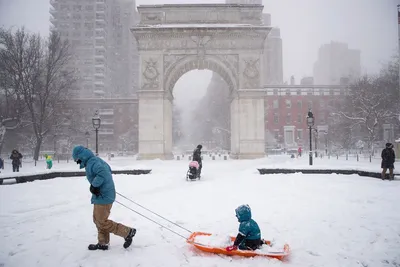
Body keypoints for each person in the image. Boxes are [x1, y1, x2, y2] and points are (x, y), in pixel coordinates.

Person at [72, 145, 136, 251]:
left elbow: (104, 173)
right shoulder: (93, 161)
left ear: (81, 156)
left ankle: (127, 232)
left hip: (104, 195)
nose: (77, 163)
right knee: (98, 219)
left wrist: (94, 185)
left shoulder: (93, 162)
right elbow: (106, 171)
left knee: (101, 221)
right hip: (102, 194)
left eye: (77, 160)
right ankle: (103, 243)